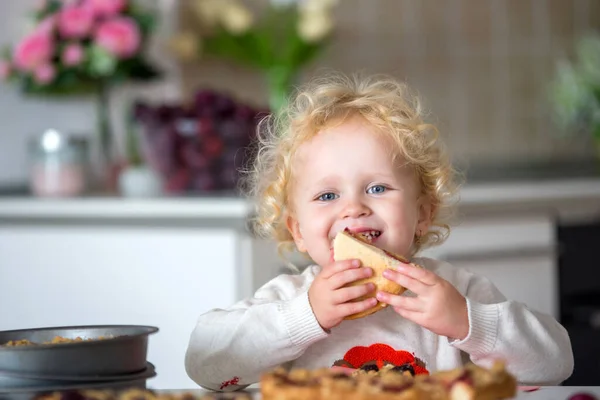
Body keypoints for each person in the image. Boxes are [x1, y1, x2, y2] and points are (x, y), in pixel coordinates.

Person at [184, 73, 574, 391]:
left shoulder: (454, 292)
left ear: (423, 214)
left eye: (377, 188)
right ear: (298, 230)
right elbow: (204, 361)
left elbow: (556, 363)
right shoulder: (293, 298)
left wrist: (467, 323)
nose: (354, 207)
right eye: (327, 195)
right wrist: (305, 316)